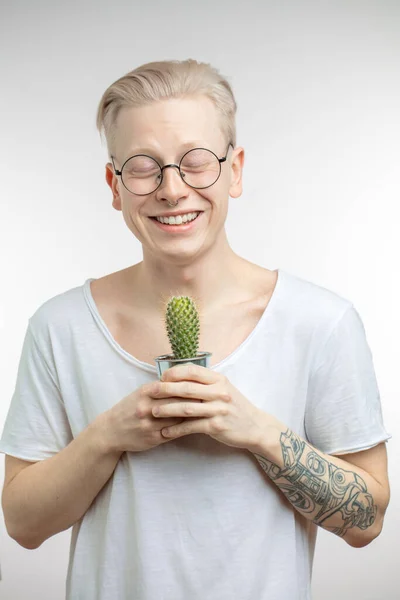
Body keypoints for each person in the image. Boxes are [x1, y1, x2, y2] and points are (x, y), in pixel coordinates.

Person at [0, 59, 392, 600]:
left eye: (196, 161)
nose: (171, 188)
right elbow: (22, 523)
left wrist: (256, 430)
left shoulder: (321, 322)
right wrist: (111, 434)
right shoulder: (60, 326)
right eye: (143, 166)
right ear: (115, 186)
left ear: (235, 170)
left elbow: (365, 522)